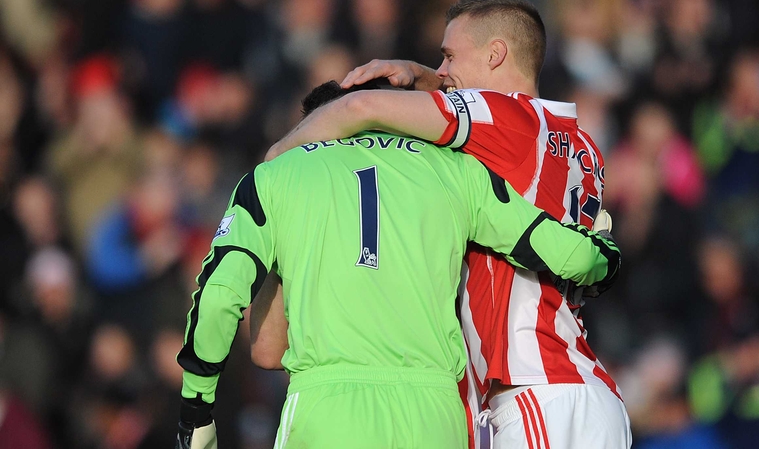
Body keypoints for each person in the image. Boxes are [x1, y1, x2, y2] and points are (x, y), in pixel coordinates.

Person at [264, 0, 632, 448]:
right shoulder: (579, 144)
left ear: (495, 54)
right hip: (582, 390)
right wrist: (421, 77)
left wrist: (272, 168)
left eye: (450, 56)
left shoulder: (505, 120)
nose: (441, 69)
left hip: (535, 389)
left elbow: (359, 108)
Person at [176, 80, 620, 449]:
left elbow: (220, 298)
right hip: (435, 416)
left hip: (329, 409)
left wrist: (197, 408)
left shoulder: (276, 177)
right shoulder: (455, 171)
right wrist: (606, 259)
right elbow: (568, 253)